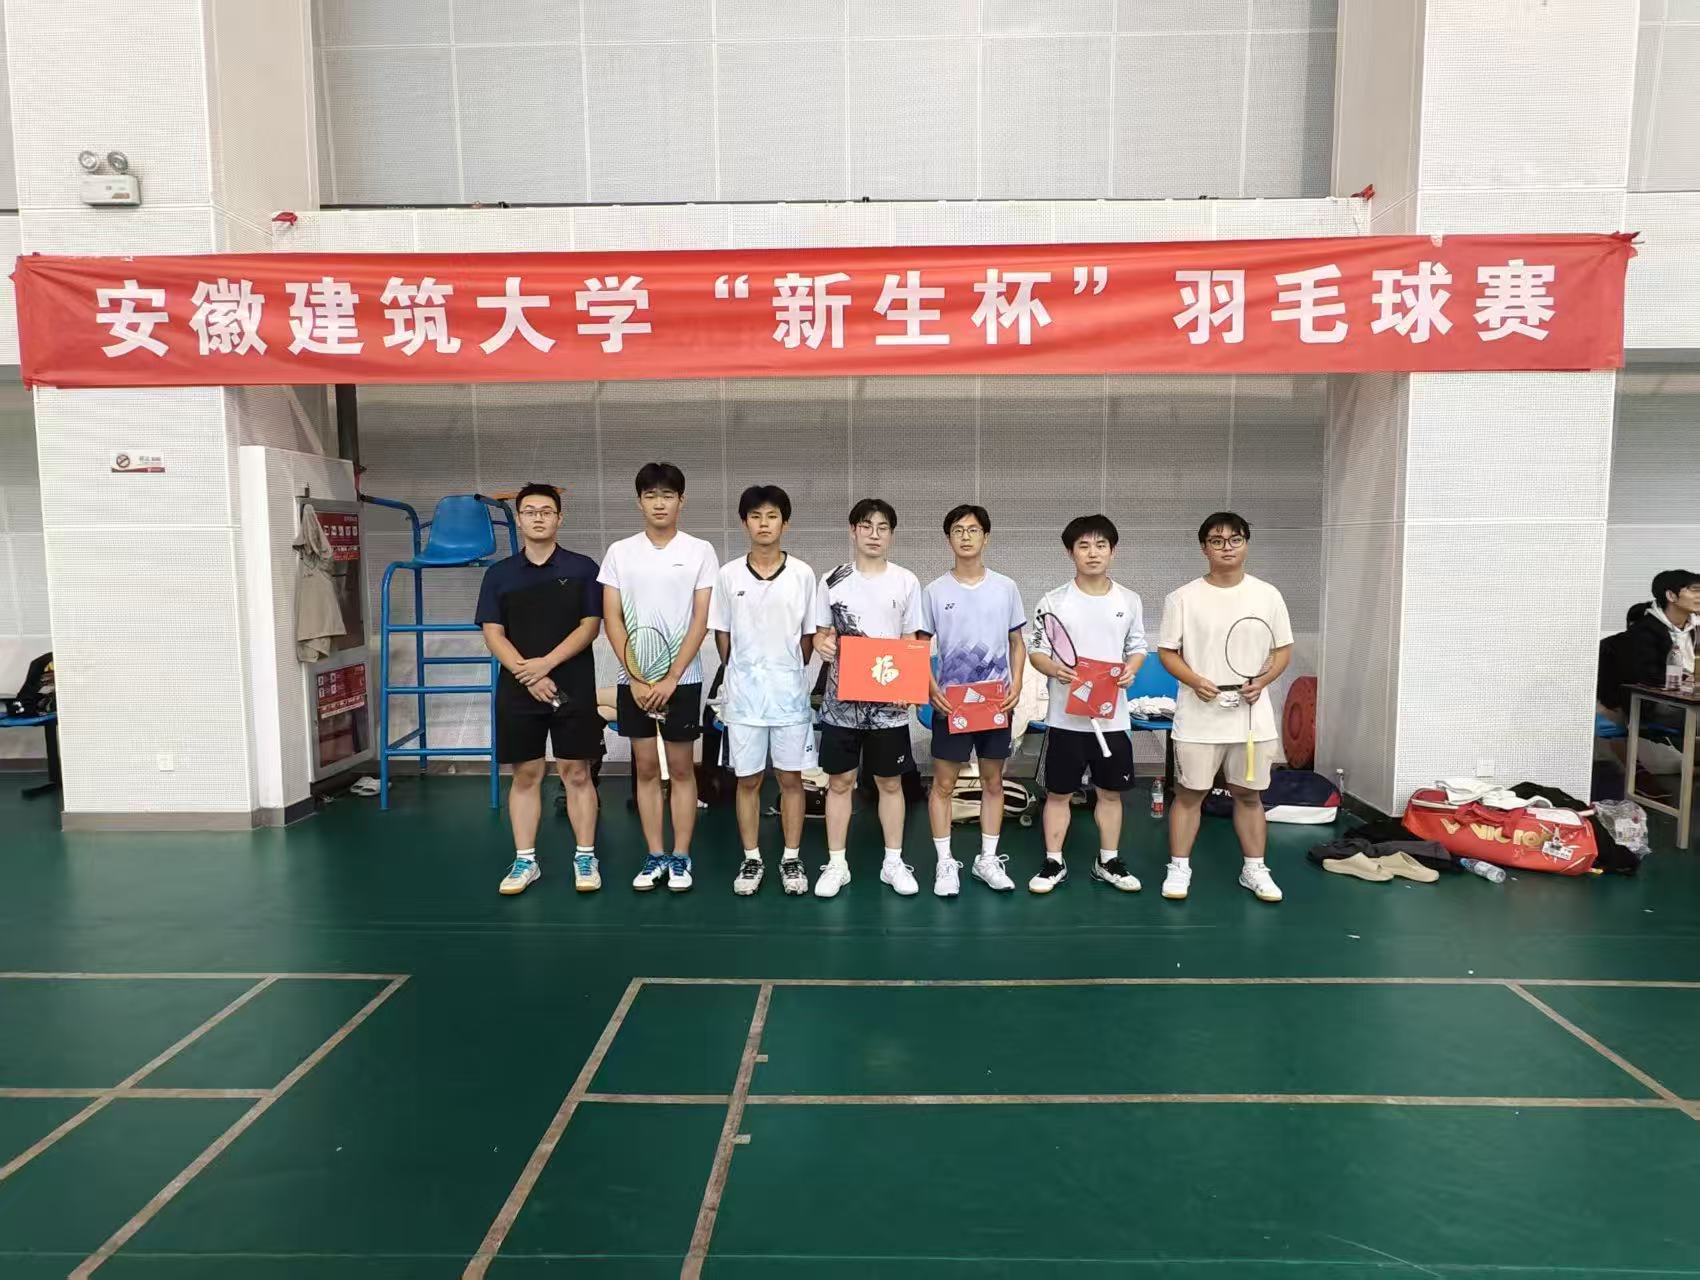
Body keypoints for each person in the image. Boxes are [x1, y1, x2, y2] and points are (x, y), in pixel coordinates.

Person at [1157, 512, 1293, 904]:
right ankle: (1179, 868)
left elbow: (1282, 649)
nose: (1227, 547)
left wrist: (1263, 681)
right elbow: (1168, 651)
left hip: (1251, 715)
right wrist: (1195, 680)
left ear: (1246, 544)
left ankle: (1255, 869)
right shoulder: (1183, 598)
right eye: (1217, 541)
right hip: (1199, 713)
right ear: (1204, 548)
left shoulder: (1268, 595)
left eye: (1235, 539)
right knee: (1189, 793)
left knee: (1249, 795)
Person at [475, 483, 603, 896]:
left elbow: (590, 626)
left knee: (576, 772)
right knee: (526, 774)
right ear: (519, 519)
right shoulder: (499, 575)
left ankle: (586, 856)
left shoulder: (583, 568)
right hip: (518, 689)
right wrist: (527, 674)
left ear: (559, 518)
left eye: (546, 511)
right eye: (530, 511)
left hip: (572, 684)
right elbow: (493, 633)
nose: (538, 518)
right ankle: (525, 860)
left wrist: (546, 664)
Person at [599, 463, 718, 892]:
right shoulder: (620, 552)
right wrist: (635, 677)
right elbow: (612, 617)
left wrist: (672, 677)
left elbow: (701, 619)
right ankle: (655, 855)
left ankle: (681, 856)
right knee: (646, 768)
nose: (659, 503)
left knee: (683, 770)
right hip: (633, 680)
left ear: (681, 501)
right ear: (639, 502)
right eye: (651, 495)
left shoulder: (700, 550)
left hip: (682, 680)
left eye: (668, 495)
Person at [1027, 514, 1146, 895]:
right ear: (1070, 552)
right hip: (1065, 719)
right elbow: (1036, 651)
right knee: (1058, 793)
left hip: (1113, 719)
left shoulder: (1129, 600)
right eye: (1083, 545)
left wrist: (1131, 670)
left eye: (1100, 545)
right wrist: (1054, 669)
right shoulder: (1053, 601)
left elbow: (1137, 647)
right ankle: (1053, 862)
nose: (1092, 553)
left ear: (1113, 551)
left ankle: (1107, 861)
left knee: (1110, 793)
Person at [812, 498, 925, 899]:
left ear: (891, 534)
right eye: (866, 526)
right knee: (840, 781)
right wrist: (823, 644)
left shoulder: (906, 581)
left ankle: (893, 862)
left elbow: (910, 640)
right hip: (841, 702)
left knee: (889, 783)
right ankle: (836, 864)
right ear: (853, 531)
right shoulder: (832, 579)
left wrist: (909, 687)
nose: (874, 534)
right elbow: (820, 634)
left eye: (882, 527)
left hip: (888, 704)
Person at [710, 484, 815, 897]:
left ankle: (791, 857)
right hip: (744, 698)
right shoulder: (728, 575)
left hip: (789, 696)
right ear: (744, 523)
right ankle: (752, 857)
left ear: (784, 523)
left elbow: (808, 636)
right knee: (748, 780)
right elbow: (722, 634)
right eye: (756, 517)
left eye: (772, 516)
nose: (764, 524)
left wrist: (786, 670)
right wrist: (741, 671)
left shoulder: (803, 574)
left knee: (791, 778)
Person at [920, 504, 1025, 896]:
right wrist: (931, 687)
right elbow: (919, 646)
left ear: (986, 537)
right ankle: (945, 863)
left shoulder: (1006, 587)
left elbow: (1017, 642)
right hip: (953, 704)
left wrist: (1017, 683)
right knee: (944, 783)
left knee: (993, 781)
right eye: (958, 530)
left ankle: (987, 859)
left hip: (995, 703)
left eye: (973, 529)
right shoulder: (934, 591)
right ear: (949, 538)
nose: (966, 536)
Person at [1598, 569, 1700, 716]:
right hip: (1659, 702)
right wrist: (1687, 678)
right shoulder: (1643, 631)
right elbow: (1648, 675)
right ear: (1671, 596)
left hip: (1691, 698)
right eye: (1695, 590)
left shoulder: (1695, 628)